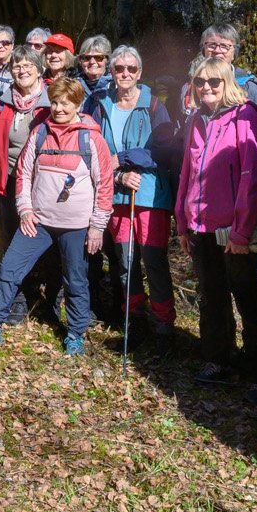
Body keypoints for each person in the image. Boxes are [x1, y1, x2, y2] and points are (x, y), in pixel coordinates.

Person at [0, 77, 115, 355]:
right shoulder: (41, 133)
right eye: (55, 102)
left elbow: (104, 185)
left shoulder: (91, 138)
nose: (58, 109)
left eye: (65, 103)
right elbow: (23, 173)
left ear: (77, 105)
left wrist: (97, 227)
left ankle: (75, 333)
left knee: (76, 279)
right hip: (38, 221)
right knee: (10, 268)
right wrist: (25, 210)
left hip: (77, 225)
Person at [174, 56, 257, 385]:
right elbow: (187, 174)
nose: (206, 87)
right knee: (211, 295)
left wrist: (243, 230)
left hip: (233, 229)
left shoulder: (245, 117)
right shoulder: (195, 120)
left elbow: (252, 177)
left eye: (214, 82)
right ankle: (218, 359)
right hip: (201, 226)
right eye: (200, 82)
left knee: (247, 296)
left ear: (227, 84)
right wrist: (182, 222)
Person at [87, 45, 176, 342]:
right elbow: (93, 148)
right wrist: (118, 173)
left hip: (150, 196)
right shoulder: (101, 104)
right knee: (125, 262)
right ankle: (133, 319)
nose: (125, 74)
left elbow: (164, 150)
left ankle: (164, 325)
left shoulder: (153, 104)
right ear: (111, 72)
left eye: (131, 69)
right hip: (115, 194)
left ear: (140, 72)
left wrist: (125, 158)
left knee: (154, 260)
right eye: (119, 69)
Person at [0, 47, 50, 318]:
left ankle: (43, 294)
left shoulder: (50, 102)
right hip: (6, 183)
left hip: (39, 186)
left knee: (36, 241)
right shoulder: (5, 104)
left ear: (39, 68)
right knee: (8, 242)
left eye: (28, 65)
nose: (22, 70)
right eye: (17, 66)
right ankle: (16, 298)